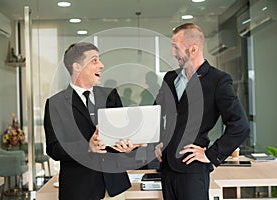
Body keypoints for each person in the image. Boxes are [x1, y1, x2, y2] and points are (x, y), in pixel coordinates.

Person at [154, 23, 250, 200]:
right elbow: (156, 113)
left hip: (192, 170)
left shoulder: (218, 80)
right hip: (167, 168)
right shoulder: (170, 78)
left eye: (176, 47)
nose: (173, 53)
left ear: (193, 49)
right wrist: (158, 140)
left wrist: (210, 155)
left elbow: (240, 126)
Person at [44, 42, 142, 200]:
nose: (101, 65)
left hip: (114, 188)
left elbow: (121, 136)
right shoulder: (56, 103)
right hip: (79, 189)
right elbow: (53, 149)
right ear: (77, 66)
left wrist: (128, 146)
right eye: (94, 60)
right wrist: (87, 147)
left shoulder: (111, 95)